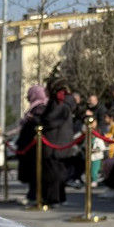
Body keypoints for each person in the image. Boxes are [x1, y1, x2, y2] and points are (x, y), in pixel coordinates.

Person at [40, 78, 77, 206]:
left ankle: (53, 198)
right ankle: (59, 197)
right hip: (62, 143)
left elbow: (51, 120)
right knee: (59, 172)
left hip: (54, 143)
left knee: (53, 173)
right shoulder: (65, 101)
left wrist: (39, 121)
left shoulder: (60, 103)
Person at [14, 85, 48, 204]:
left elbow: (40, 124)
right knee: (33, 171)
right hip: (30, 145)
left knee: (35, 171)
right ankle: (32, 194)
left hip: (34, 145)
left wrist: (32, 119)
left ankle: (34, 196)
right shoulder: (34, 108)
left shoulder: (39, 108)